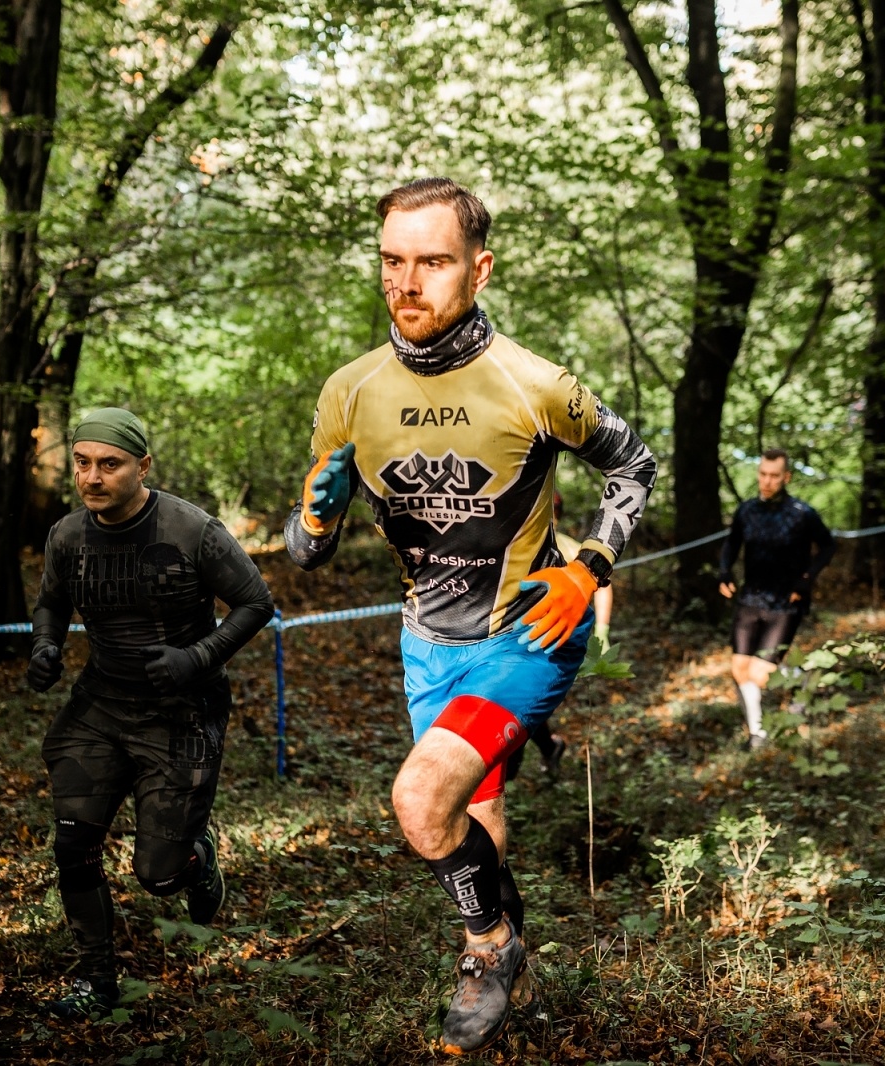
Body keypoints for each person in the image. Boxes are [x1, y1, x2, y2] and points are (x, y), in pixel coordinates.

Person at [284, 178, 656, 1054]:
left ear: (478, 270)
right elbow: (308, 556)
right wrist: (315, 512)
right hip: (427, 646)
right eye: (392, 262)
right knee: (471, 816)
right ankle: (501, 957)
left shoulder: (534, 383)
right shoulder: (349, 392)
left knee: (420, 803)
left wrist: (589, 567)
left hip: (525, 636)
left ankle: (491, 947)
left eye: (434, 262)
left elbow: (633, 465)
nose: (407, 282)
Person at [25, 408, 276, 1020]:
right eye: (82, 463)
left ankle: (196, 857)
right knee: (73, 847)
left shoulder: (192, 530)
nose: (91, 477)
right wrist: (46, 645)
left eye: (108, 464)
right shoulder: (67, 536)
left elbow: (255, 602)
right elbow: (51, 603)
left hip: (182, 711)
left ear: (142, 466)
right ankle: (96, 980)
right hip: (100, 707)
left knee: (157, 876)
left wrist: (199, 656)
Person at [716, 449, 837, 751]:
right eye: (763, 474)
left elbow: (828, 546)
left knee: (760, 672)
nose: (767, 482)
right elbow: (732, 544)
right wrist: (724, 572)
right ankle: (757, 733)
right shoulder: (747, 511)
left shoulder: (801, 513)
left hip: (787, 601)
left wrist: (807, 579)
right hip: (751, 596)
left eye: (774, 476)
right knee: (739, 668)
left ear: (786, 477)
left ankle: (801, 680)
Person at [503, 492, 614, 782]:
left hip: (552, 637)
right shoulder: (513, 542)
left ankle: (509, 765)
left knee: (517, 702)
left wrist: (601, 630)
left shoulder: (567, 546)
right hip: (510, 636)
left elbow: (601, 585)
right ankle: (550, 748)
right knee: (517, 701)